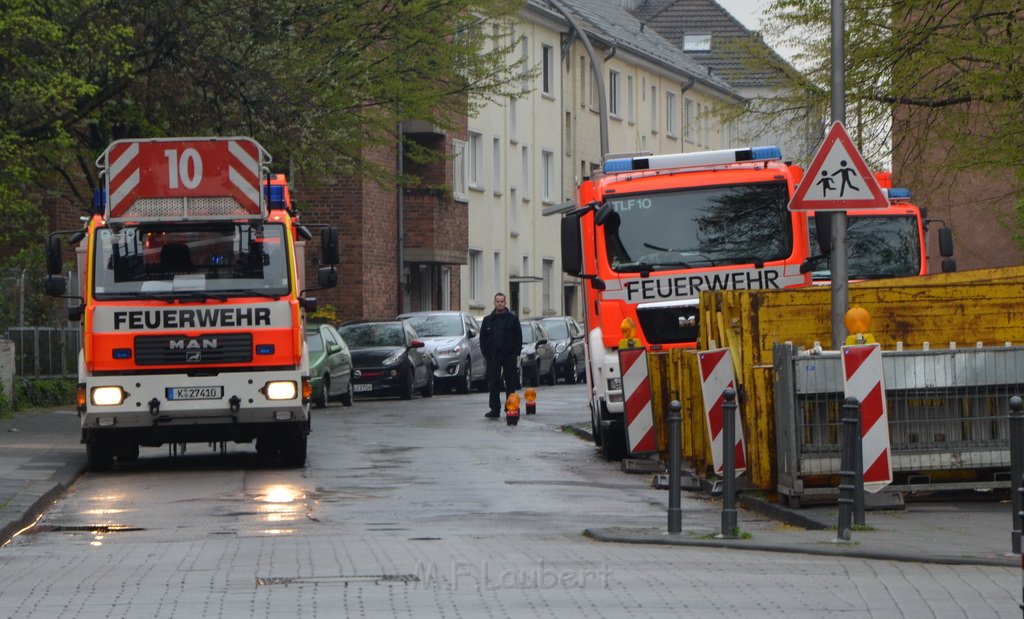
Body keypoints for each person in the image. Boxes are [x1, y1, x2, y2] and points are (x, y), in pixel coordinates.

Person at [479, 292, 523, 418]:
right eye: (497, 301)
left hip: (509, 356)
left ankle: (511, 406)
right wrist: (486, 353)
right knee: (493, 383)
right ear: (494, 303)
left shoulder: (512, 319)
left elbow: (518, 337)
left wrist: (516, 353)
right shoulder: (488, 320)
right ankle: (494, 409)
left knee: (510, 382)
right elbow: (482, 338)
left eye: (502, 301)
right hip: (493, 356)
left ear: (505, 303)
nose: (500, 303)